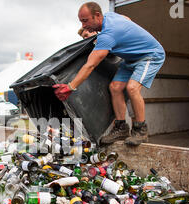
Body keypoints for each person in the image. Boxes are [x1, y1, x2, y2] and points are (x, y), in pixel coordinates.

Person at [53, 2, 165, 146]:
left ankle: (140, 130)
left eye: (85, 21)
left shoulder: (107, 35)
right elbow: (127, 19)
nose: (83, 26)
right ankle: (121, 128)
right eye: (81, 21)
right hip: (131, 59)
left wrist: (70, 87)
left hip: (150, 55)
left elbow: (90, 65)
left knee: (132, 88)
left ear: (97, 16)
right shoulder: (110, 16)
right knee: (115, 87)